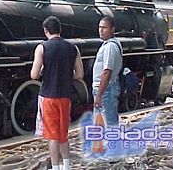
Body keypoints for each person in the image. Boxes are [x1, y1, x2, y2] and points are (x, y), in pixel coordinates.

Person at [30, 16, 84, 170]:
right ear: (60, 30)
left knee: (52, 136)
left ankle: (55, 167)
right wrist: (65, 74)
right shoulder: (73, 48)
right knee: (63, 134)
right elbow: (79, 74)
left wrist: (43, 71)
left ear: (45, 30)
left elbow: (34, 75)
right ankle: (66, 166)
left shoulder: (42, 48)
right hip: (65, 96)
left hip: (48, 96)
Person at [92, 16, 123, 130]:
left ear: (112, 29)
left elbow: (107, 72)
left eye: (104, 28)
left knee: (110, 126)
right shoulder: (106, 45)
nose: (101, 30)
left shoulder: (110, 46)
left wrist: (99, 95)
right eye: (100, 27)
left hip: (106, 91)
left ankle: (114, 147)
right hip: (103, 90)